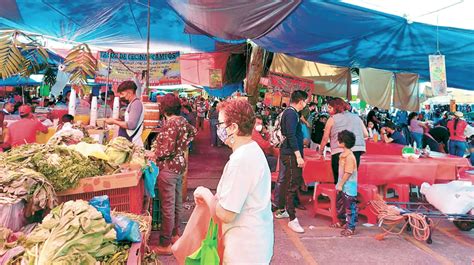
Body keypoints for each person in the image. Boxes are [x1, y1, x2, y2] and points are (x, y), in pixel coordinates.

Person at [193, 99, 274, 264]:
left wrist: (206, 194)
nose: (218, 129)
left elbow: (226, 214)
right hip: (255, 241)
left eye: (221, 124)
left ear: (234, 127)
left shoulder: (241, 160)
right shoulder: (252, 149)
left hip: (245, 249)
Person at [149, 94, 196, 255]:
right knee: (176, 202)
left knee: (167, 206)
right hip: (179, 165)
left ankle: (165, 244)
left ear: (164, 108)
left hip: (168, 167)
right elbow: (192, 133)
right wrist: (181, 146)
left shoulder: (171, 124)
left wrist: (153, 153)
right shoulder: (183, 121)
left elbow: (166, 150)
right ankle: (176, 235)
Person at [274, 90, 308, 233]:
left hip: (289, 153)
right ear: (301, 101)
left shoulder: (291, 113)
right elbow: (291, 136)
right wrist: (298, 155)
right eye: (306, 101)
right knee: (292, 185)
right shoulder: (291, 113)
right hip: (290, 154)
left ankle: (284, 210)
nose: (306, 104)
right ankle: (292, 219)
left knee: (289, 182)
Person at [319, 98, 368, 184]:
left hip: (339, 151)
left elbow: (325, 138)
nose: (328, 110)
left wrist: (321, 151)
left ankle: (340, 196)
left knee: (339, 180)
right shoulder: (356, 117)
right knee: (350, 179)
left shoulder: (332, 119)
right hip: (356, 151)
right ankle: (349, 197)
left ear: (336, 107)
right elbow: (366, 134)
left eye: (330, 108)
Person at [331, 130, 358, 236]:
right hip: (342, 185)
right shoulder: (343, 155)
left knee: (350, 207)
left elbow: (348, 172)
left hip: (349, 187)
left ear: (343, 143)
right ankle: (342, 221)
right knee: (341, 204)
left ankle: (351, 227)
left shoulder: (349, 157)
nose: (337, 141)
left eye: (339, 140)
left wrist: (341, 184)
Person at [105, 81, 144, 146]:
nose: (120, 96)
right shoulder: (132, 103)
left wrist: (114, 121)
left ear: (130, 92)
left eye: (122, 94)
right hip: (127, 141)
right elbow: (129, 121)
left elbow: (131, 125)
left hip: (132, 141)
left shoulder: (136, 104)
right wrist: (118, 121)